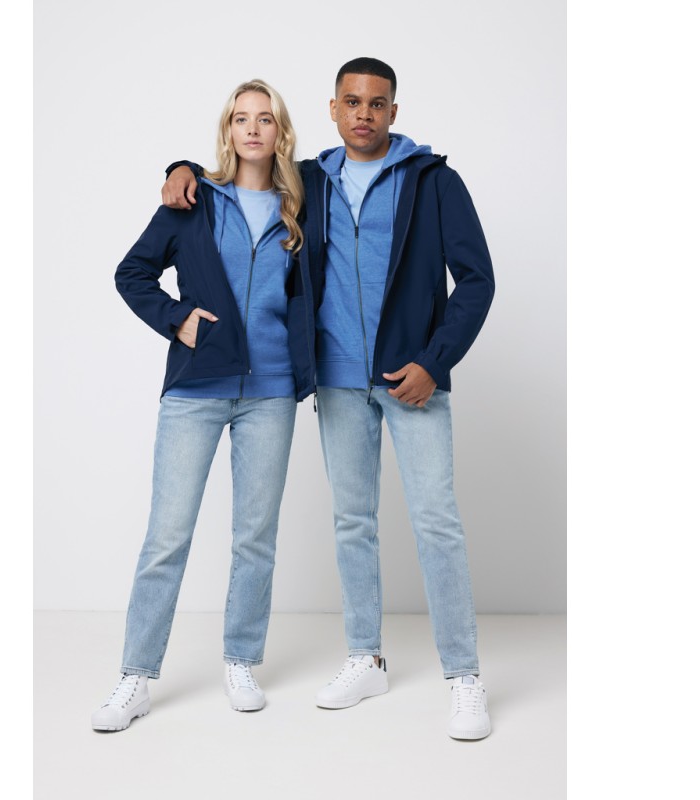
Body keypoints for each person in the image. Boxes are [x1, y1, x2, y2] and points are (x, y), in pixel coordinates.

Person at [162, 57, 495, 740]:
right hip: (338, 380)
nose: (363, 114)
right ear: (333, 109)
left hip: (412, 379)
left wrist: (434, 362)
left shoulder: (434, 181)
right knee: (353, 521)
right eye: (351, 102)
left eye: (376, 103)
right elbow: (244, 169)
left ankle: (464, 676)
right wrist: (181, 167)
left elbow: (477, 280)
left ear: (394, 112)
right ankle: (365, 657)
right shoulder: (308, 181)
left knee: (436, 523)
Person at [92, 79, 316, 732]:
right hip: (195, 390)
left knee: (255, 537)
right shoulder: (193, 200)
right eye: (241, 119)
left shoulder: (300, 207)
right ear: (228, 131)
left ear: (280, 132)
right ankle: (136, 677)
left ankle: (241, 661)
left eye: (265, 119)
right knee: (167, 536)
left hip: (271, 393)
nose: (253, 129)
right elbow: (132, 272)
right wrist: (177, 319)